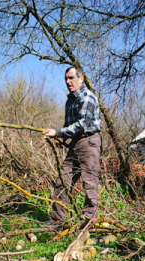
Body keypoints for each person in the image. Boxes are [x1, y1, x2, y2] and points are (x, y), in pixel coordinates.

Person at [44, 66, 102, 230]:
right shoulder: (71, 99)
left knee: (89, 183)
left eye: (72, 78)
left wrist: (58, 133)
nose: (68, 82)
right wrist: (60, 137)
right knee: (62, 181)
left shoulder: (87, 97)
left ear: (81, 79)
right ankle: (57, 222)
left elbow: (82, 125)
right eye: (66, 79)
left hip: (89, 142)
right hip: (76, 143)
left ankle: (88, 223)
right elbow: (70, 125)